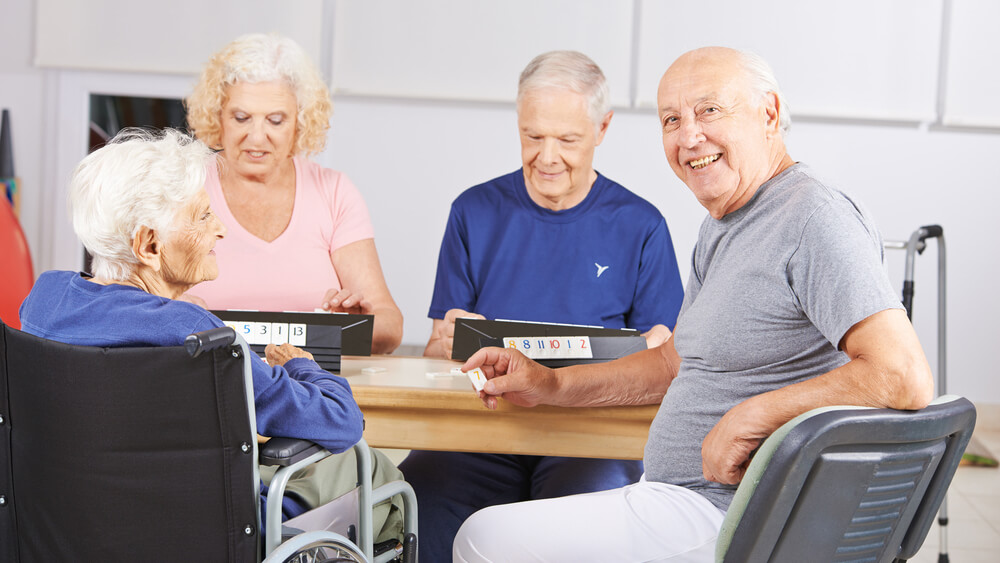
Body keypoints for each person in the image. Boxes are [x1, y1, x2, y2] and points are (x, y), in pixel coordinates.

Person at [451, 47, 935, 562]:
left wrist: (754, 416)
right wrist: (550, 383)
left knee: (484, 539)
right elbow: (671, 362)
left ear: (768, 113)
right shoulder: (723, 225)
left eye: (709, 111)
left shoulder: (814, 217)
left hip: (741, 516)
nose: (688, 137)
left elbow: (903, 375)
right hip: (681, 499)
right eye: (672, 119)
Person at [18, 129, 403, 543]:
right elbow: (341, 421)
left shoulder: (45, 301)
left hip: (72, 529)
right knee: (377, 471)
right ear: (149, 244)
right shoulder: (196, 337)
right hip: (210, 533)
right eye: (202, 216)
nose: (220, 229)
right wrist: (301, 367)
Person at [408, 50, 685, 562]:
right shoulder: (472, 211)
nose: (547, 156)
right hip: (481, 429)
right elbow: (435, 350)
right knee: (419, 496)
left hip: (588, 433)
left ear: (602, 128)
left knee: (589, 517)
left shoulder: (641, 226)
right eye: (533, 137)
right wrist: (442, 343)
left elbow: (665, 361)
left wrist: (653, 347)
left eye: (567, 140)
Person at [184, 33, 402, 354]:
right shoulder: (182, 186)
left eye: (276, 120)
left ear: (300, 123)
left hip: (308, 388)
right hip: (206, 383)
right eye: (241, 117)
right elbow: (138, 304)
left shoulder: (333, 191)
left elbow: (389, 325)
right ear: (218, 116)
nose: (256, 137)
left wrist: (349, 327)